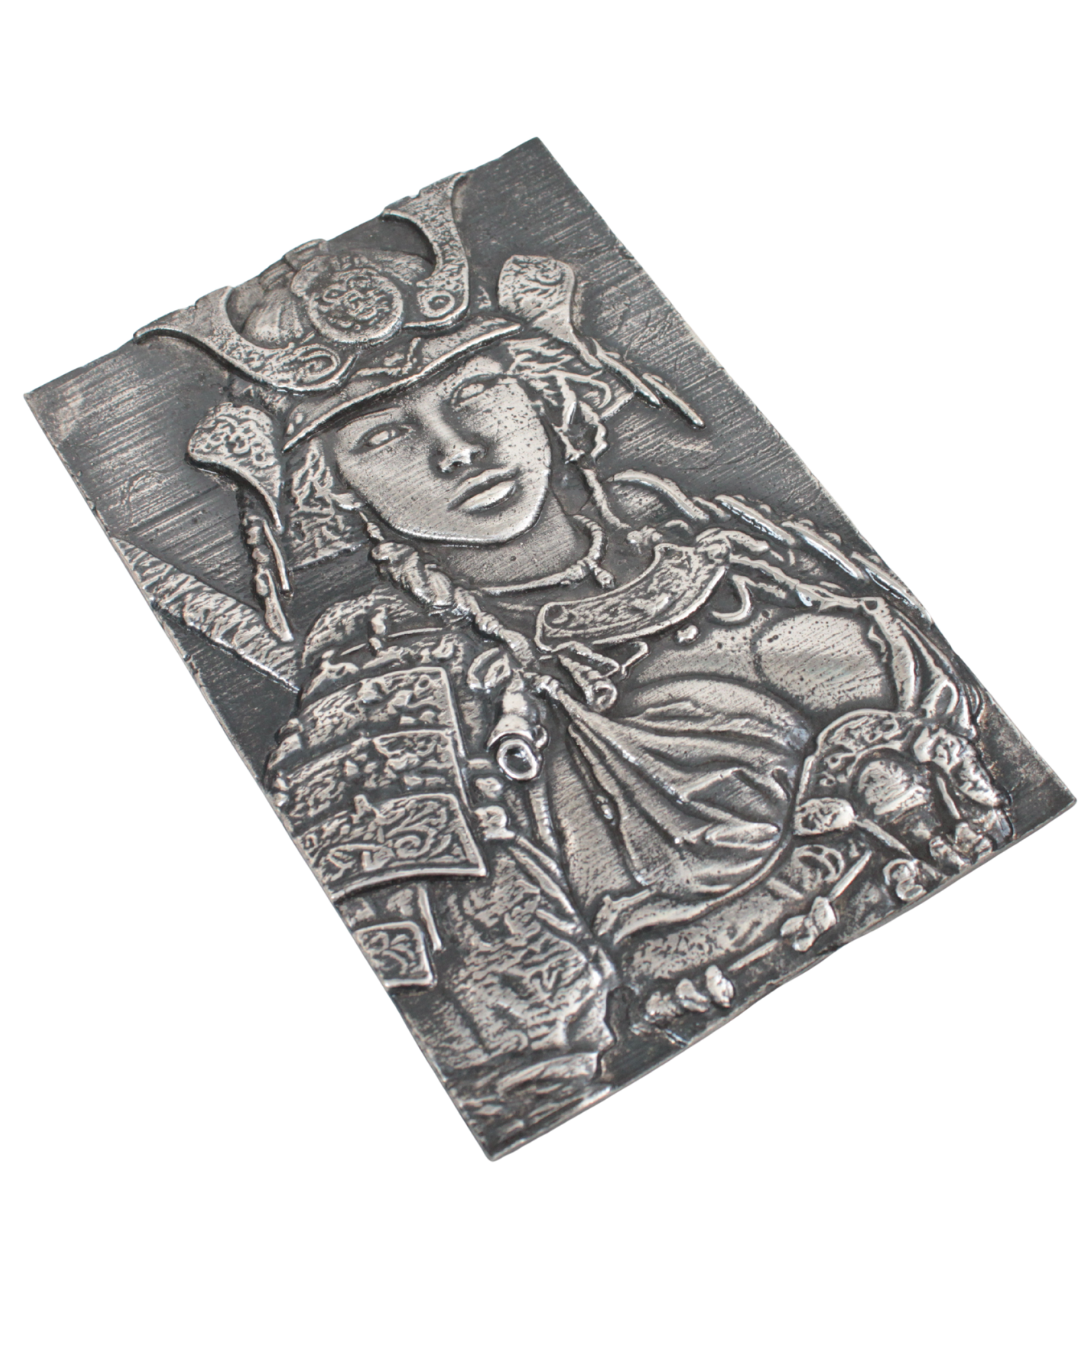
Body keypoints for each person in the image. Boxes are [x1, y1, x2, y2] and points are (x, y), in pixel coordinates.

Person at [133, 177, 1011, 1152]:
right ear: (331, 490)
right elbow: (517, 1068)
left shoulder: (741, 540)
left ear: (542, 387)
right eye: (383, 434)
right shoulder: (388, 700)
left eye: (473, 389)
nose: (458, 451)